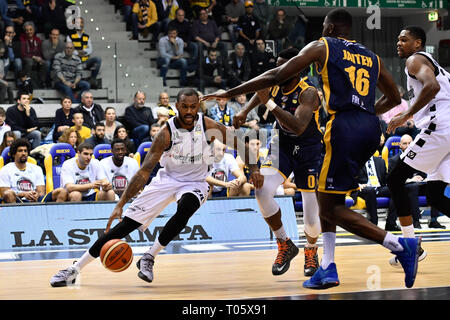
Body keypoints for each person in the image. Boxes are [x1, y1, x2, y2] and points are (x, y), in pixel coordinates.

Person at [202, 8, 421, 289]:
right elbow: (393, 96)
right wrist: (365, 114)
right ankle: (326, 266)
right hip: (366, 129)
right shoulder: (371, 56)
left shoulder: (321, 50)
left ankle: (400, 246)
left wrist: (228, 93)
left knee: (328, 209)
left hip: (331, 135)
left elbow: (276, 80)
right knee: (328, 202)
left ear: (329, 29)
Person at [49, 88, 262, 287]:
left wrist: (255, 170)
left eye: (193, 107)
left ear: (198, 106)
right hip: (166, 179)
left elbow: (242, 145)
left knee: (186, 207)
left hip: (196, 182)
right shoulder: (165, 133)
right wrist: (121, 204)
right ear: (176, 106)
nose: (189, 111)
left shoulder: (208, 126)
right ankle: (74, 269)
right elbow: (143, 172)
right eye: (184, 107)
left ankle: (149, 257)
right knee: (124, 227)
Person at [233, 48, 323, 277]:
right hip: (281, 145)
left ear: (298, 70)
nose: (279, 71)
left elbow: (298, 126)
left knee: (312, 218)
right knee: (261, 190)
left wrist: (270, 105)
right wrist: (245, 110)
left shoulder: (309, 93)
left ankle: (311, 250)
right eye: (278, 66)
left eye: (285, 67)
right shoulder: (276, 82)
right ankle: (285, 244)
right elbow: (260, 91)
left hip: (308, 150)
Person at [387, 26, 450, 267]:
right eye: (397, 39)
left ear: (418, 43)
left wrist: (405, 115)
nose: (399, 43)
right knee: (435, 194)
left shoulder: (415, 60)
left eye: (404, 39)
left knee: (394, 179)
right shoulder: (436, 65)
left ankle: (410, 246)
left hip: (439, 129)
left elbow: (432, 87)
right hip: (446, 130)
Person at [0, 139, 67, 203]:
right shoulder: (6, 170)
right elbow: (4, 193)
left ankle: (56, 214)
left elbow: (41, 192)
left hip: (36, 200)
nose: (23, 153)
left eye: (25, 151)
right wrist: (24, 194)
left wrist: (36, 195)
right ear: (14, 154)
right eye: (20, 151)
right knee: (9, 193)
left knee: (61, 191)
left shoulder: (37, 168)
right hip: (18, 200)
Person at [67, 17, 102, 87]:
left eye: (82, 22)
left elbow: (90, 50)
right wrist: (80, 52)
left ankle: (92, 79)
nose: (80, 24)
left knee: (98, 59)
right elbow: (70, 50)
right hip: (75, 62)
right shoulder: (70, 36)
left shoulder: (87, 36)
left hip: (85, 61)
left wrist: (81, 51)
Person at [19, 21, 47, 89]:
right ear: (25, 31)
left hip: (35, 59)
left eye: (30, 29)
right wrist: (33, 56)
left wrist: (40, 59)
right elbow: (23, 53)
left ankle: (42, 82)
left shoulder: (38, 40)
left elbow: (40, 52)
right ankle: (27, 82)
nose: (29, 32)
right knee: (30, 62)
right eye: (27, 30)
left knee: (44, 63)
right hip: (25, 59)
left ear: (34, 30)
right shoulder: (22, 39)